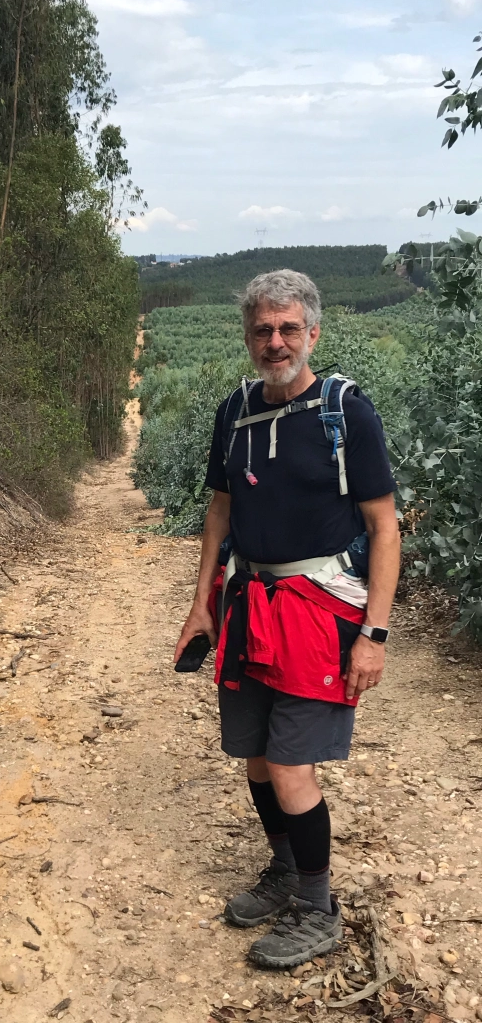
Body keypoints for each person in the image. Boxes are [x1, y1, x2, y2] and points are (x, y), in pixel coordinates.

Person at [174, 269, 401, 969]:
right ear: (248, 336)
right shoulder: (234, 410)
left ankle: (318, 906)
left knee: (293, 768)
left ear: (313, 333)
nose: (275, 342)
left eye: (288, 329)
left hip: (321, 613)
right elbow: (220, 511)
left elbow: (384, 528)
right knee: (255, 761)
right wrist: (200, 602)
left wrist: (375, 635)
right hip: (249, 607)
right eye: (262, 330)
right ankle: (284, 873)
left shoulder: (346, 413)